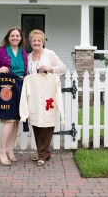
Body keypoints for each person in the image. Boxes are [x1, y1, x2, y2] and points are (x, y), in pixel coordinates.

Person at [19, 29, 67, 166]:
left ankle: (41, 154)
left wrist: (49, 68)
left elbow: (63, 68)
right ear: (30, 42)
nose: (36, 43)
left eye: (39, 40)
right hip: (34, 94)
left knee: (47, 122)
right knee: (36, 121)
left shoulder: (49, 54)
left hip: (48, 93)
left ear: (43, 41)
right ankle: (45, 152)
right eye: (34, 40)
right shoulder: (28, 57)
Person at [0, 27, 28, 166]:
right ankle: (1, 151)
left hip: (20, 87)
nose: (15, 38)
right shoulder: (0, 51)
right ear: (8, 37)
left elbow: (26, 71)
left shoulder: (23, 52)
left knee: (15, 121)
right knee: (8, 120)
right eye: (12, 35)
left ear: (21, 38)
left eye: (18, 36)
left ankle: (10, 150)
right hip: (6, 88)